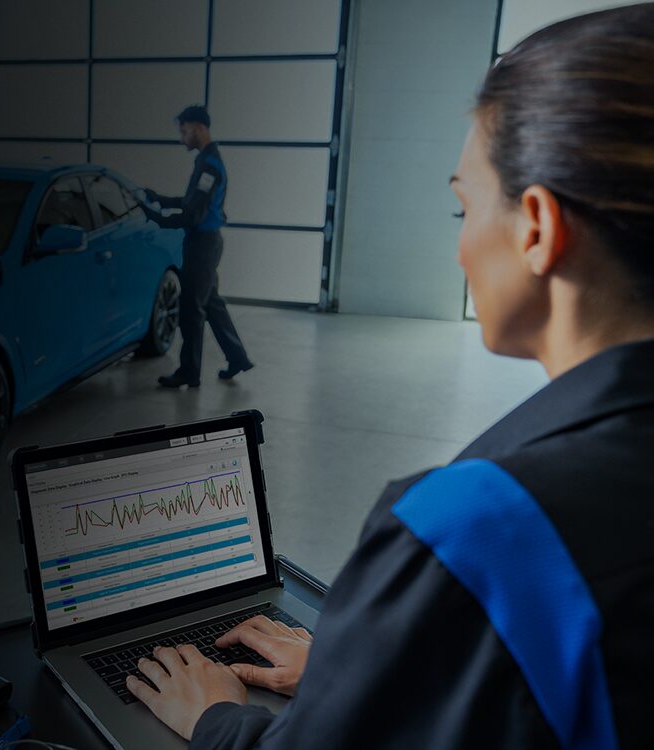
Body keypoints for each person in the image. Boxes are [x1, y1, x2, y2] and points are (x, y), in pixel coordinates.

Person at [124, 5, 654, 748]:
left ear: (537, 227)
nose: (461, 248)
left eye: (463, 207)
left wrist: (217, 718)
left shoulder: (475, 532)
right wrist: (375, 673)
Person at [139, 105, 253, 388]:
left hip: (203, 245)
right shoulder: (206, 160)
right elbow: (191, 202)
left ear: (199, 128)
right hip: (206, 242)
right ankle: (238, 357)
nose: (182, 138)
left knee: (191, 308)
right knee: (211, 303)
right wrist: (160, 200)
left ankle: (189, 372)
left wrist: (159, 220)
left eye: (185, 130)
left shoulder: (209, 165)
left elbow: (193, 215)